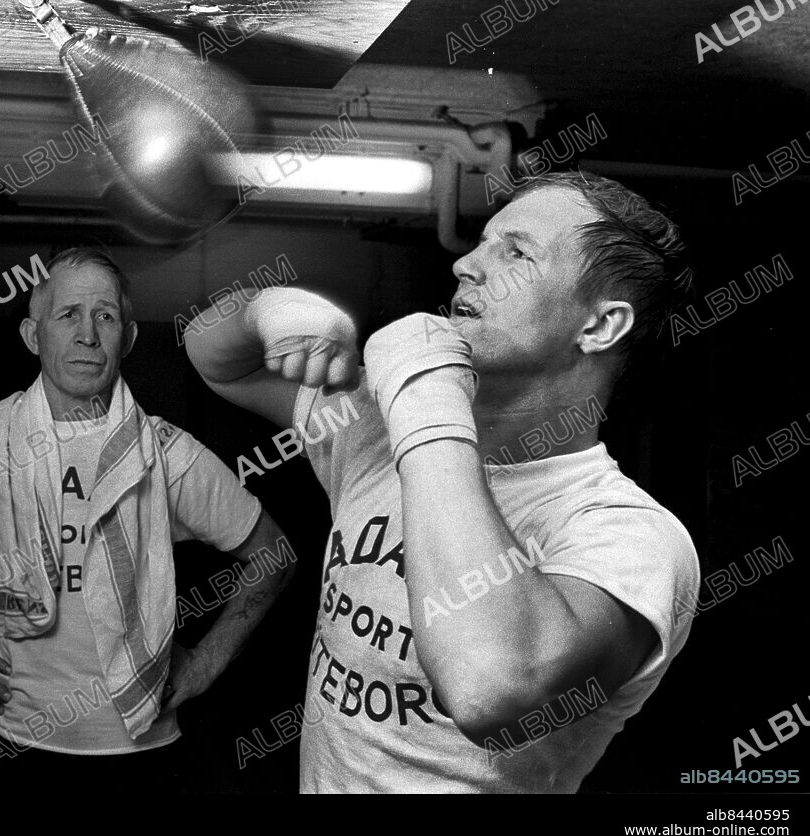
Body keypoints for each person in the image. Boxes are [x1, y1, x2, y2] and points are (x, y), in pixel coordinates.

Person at [184, 171, 700, 793]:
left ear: (598, 326)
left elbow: (489, 688)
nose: (466, 265)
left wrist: (426, 395)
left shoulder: (629, 538)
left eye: (515, 252)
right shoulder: (373, 430)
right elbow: (214, 358)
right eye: (481, 242)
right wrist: (269, 312)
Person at [0, 247, 293, 787]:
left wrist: (205, 664)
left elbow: (275, 553)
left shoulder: (168, 455)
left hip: (143, 748)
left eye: (105, 316)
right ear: (34, 336)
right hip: (8, 740)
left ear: (127, 338)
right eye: (67, 315)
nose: (87, 334)